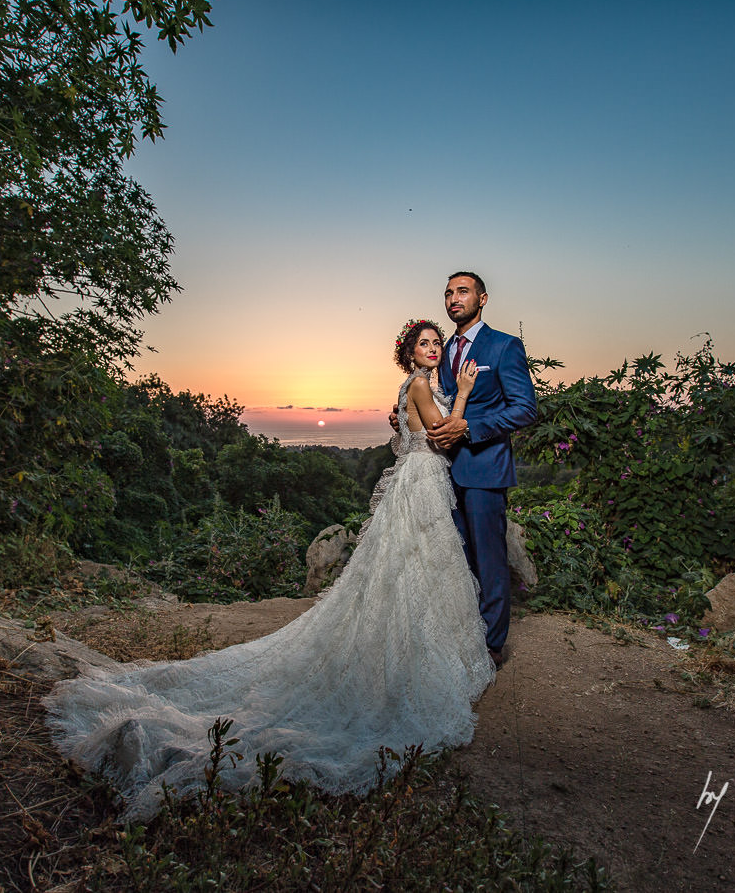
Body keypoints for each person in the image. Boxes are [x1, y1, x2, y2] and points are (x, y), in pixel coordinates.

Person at [43, 319, 494, 819]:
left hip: (418, 484)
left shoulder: (407, 386)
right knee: (413, 569)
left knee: (409, 573)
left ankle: (415, 645)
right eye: (424, 344)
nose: (432, 350)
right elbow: (443, 439)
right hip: (424, 483)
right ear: (410, 353)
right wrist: (467, 393)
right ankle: (410, 658)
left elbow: (407, 438)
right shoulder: (421, 384)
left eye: (436, 344)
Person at [393, 271, 537, 668]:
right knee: (456, 561)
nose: (454, 298)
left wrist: (470, 427)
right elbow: (430, 403)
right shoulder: (441, 350)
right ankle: (459, 634)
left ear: (482, 298)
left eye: (463, 291)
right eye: (448, 293)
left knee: (489, 561)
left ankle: (490, 647)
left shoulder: (504, 346)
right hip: (439, 473)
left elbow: (525, 408)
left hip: (484, 470)